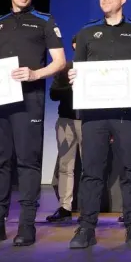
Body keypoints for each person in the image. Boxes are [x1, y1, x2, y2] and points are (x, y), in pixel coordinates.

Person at [0, 0, 66, 247]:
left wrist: (35, 74)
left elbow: (59, 61)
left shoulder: (44, 20)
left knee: (27, 162)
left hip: (29, 100)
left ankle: (26, 226)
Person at [68, 0, 131, 249]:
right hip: (94, 113)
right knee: (92, 171)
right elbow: (78, 69)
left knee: (130, 169)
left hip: (127, 113)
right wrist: (73, 76)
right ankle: (86, 227)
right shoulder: (86, 33)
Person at [46, 34, 82, 223]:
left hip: (89, 122)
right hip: (66, 120)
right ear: (74, 45)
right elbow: (53, 94)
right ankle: (65, 207)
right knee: (66, 165)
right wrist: (71, 87)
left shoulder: (95, 69)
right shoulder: (65, 67)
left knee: (90, 166)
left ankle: (88, 207)